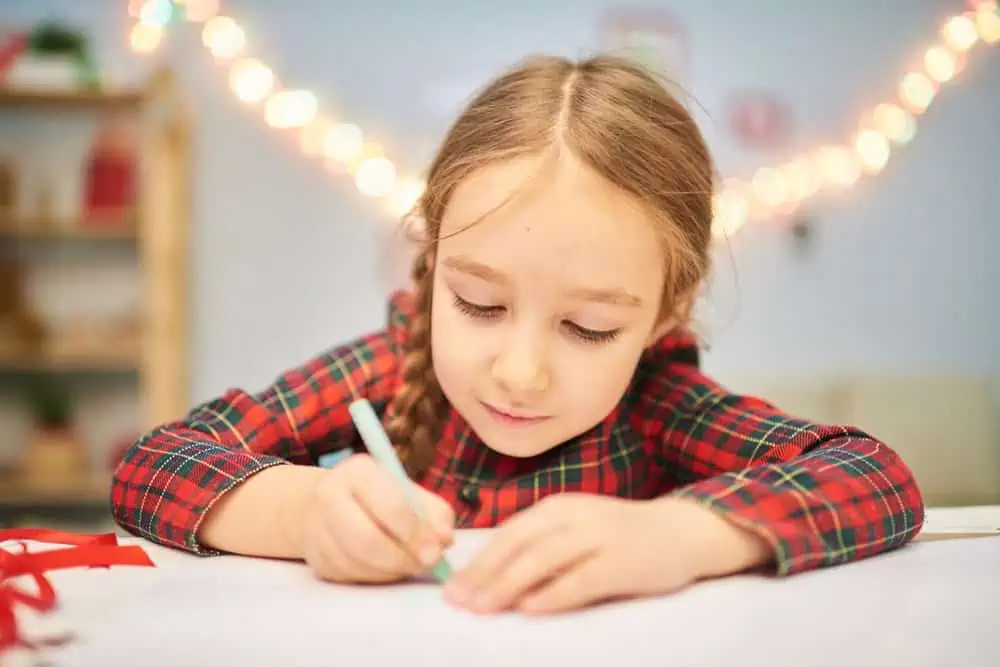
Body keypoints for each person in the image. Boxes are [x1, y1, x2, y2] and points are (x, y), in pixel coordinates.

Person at [110, 54, 924, 615]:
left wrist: (678, 535)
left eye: (587, 325)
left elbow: (875, 476)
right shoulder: (396, 364)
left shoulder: (658, 403)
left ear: (663, 315)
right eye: (479, 304)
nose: (521, 370)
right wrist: (304, 510)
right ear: (434, 263)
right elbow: (155, 463)